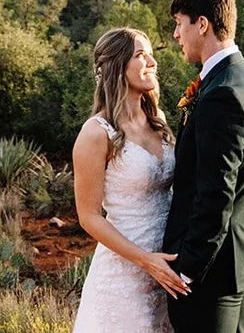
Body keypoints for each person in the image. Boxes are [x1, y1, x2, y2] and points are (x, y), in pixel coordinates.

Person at [162, 0, 244, 333]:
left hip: (210, 278)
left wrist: (187, 270)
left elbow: (215, 197)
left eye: (180, 23)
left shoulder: (221, 95)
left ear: (203, 24)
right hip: (237, 266)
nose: (177, 35)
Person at [71, 27, 186, 333]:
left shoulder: (157, 121)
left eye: (150, 53)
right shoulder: (96, 132)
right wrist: (145, 260)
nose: (152, 61)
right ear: (116, 67)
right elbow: (89, 217)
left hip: (167, 273)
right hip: (122, 278)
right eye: (140, 54)